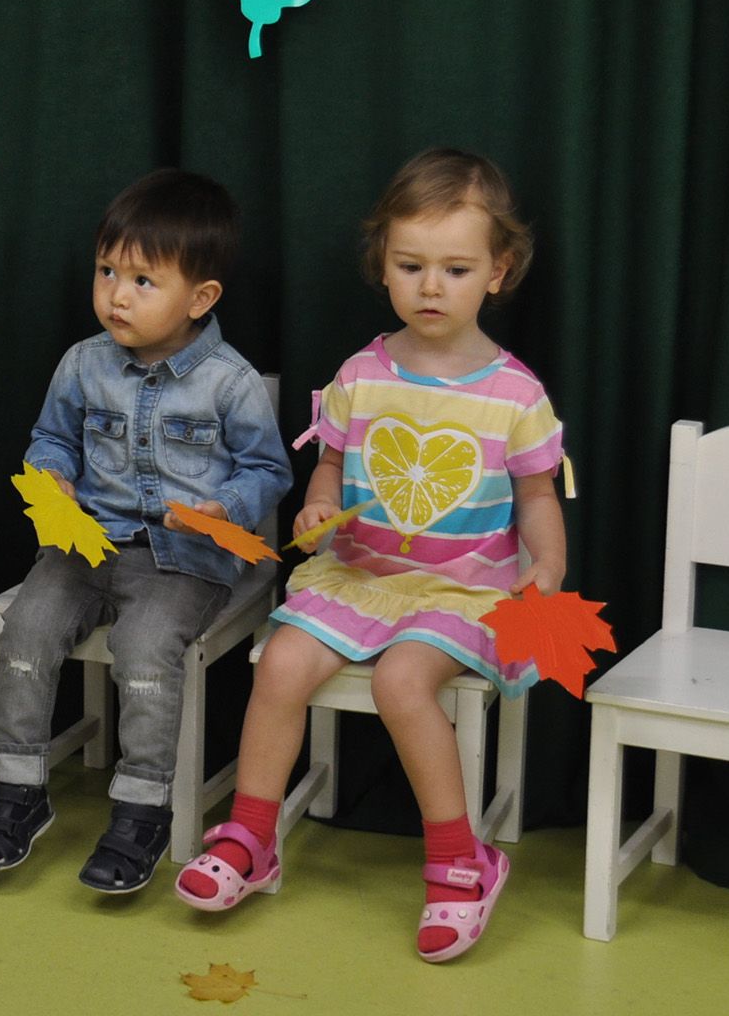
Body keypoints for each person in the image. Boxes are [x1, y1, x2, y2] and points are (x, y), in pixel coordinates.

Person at [175, 148, 566, 963]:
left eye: (456, 269)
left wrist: (548, 570)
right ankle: (251, 834)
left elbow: (537, 499)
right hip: (360, 575)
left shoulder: (517, 394)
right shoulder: (361, 373)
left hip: (464, 591)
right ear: (383, 265)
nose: (431, 287)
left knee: (401, 681)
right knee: (282, 663)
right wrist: (320, 503)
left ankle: (463, 860)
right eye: (410, 266)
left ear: (498, 272)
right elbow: (330, 462)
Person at [0, 169, 293, 894]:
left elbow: (269, 470)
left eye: (143, 281)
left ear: (200, 298)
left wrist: (225, 508)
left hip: (184, 559)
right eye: (107, 271)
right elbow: (51, 439)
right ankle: (17, 790)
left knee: (144, 647)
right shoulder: (83, 363)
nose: (117, 294)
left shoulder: (230, 382)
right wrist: (51, 474)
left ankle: (142, 808)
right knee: (25, 630)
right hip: (85, 544)